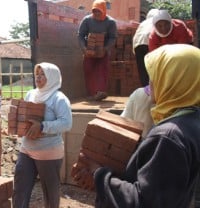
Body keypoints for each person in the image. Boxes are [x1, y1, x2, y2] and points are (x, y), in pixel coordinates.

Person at [79, 44, 200, 208]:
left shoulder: (168, 136)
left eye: (156, 75)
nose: (150, 82)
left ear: (173, 80)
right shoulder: (192, 120)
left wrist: (99, 174)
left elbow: (142, 202)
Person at [12, 62, 73, 208]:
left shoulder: (59, 98)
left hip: (48, 152)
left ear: (52, 77)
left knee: (50, 192)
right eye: (36, 75)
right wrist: (18, 127)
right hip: (27, 149)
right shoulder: (31, 94)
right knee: (20, 186)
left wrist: (43, 126)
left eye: (42, 75)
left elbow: (67, 123)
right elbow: (24, 116)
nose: (38, 78)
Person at [77, 0, 117, 101]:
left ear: (104, 10)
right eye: (94, 11)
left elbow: (113, 37)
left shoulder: (110, 22)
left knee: (102, 70)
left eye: (99, 11)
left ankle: (100, 92)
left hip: (103, 51)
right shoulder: (87, 20)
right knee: (88, 69)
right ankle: (92, 93)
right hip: (89, 50)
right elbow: (80, 35)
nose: (97, 14)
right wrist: (84, 49)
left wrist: (105, 48)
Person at [132, 8, 159, 86]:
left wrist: (134, 51)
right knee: (152, 69)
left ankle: (146, 90)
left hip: (138, 46)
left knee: (142, 70)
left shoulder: (143, 23)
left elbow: (135, 37)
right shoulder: (157, 22)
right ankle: (154, 90)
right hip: (150, 44)